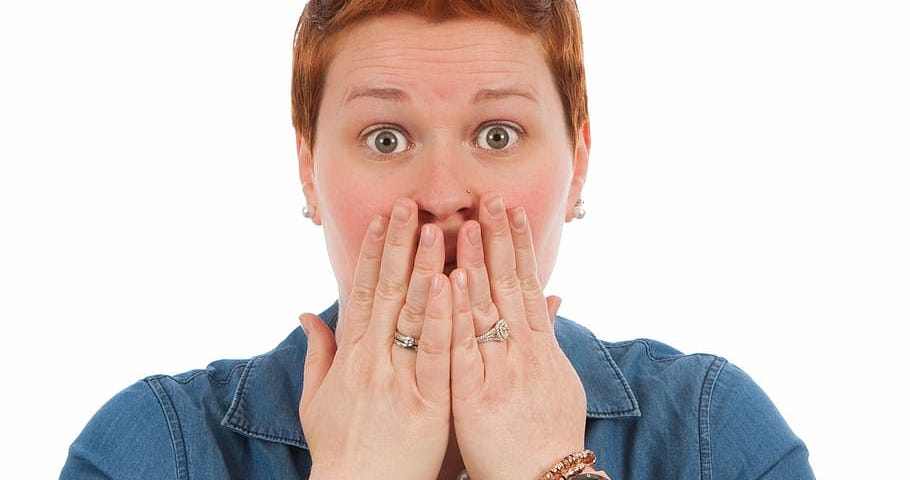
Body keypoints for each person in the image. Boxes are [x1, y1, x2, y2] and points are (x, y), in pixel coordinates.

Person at [61, 1, 814, 479]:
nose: (445, 194)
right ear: (307, 169)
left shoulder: (713, 434)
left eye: (497, 133)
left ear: (578, 162)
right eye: (386, 138)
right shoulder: (153, 449)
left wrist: (549, 470)